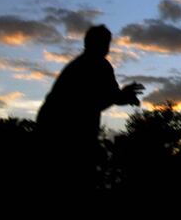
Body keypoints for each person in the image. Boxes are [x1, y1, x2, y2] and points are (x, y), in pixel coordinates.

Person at [36, 24, 144, 193]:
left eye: (107, 42)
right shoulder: (86, 66)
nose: (106, 47)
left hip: (65, 128)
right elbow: (93, 102)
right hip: (60, 130)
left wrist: (126, 96)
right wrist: (124, 96)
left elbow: (111, 97)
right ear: (91, 43)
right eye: (103, 42)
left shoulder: (98, 66)